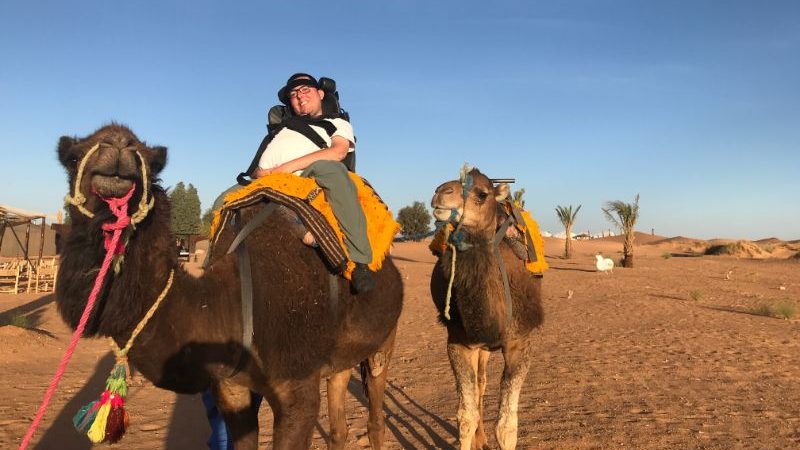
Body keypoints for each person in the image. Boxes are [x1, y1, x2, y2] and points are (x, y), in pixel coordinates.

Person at [251, 73, 375, 293]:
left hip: (308, 175)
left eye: (305, 90)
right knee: (222, 199)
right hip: (269, 181)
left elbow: (338, 152)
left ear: (320, 94)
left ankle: (360, 262)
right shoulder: (281, 130)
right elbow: (255, 170)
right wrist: (262, 174)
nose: (299, 96)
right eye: (294, 93)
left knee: (332, 169)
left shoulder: (336, 123)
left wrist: (285, 168)